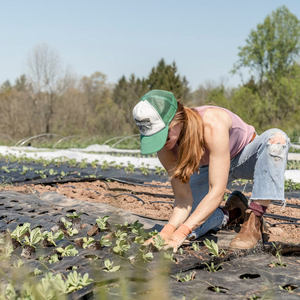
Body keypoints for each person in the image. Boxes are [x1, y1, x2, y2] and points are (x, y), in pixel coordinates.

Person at [132, 89, 290, 252]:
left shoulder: (211, 123)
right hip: (210, 167)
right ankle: (232, 212)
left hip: (245, 157)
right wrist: (167, 231)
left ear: (177, 119)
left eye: (163, 135)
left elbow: (217, 191)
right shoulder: (165, 148)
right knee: (191, 221)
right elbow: (183, 199)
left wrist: (181, 233)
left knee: (276, 141)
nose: (161, 143)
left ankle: (254, 221)